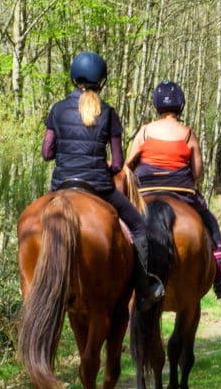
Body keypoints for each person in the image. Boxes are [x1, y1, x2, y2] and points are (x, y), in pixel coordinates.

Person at [41, 51, 163, 311]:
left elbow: (46, 152)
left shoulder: (57, 109)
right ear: (102, 80)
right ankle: (144, 288)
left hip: (61, 184)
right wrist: (99, 166)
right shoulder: (108, 113)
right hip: (98, 187)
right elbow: (118, 164)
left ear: (74, 78)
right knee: (139, 225)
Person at [124, 80, 221, 299]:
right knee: (211, 227)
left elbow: (129, 165)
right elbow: (197, 171)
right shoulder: (188, 134)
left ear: (157, 105)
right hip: (182, 193)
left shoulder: (145, 132)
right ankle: (220, 278)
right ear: (181, 105)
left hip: (145, 192)